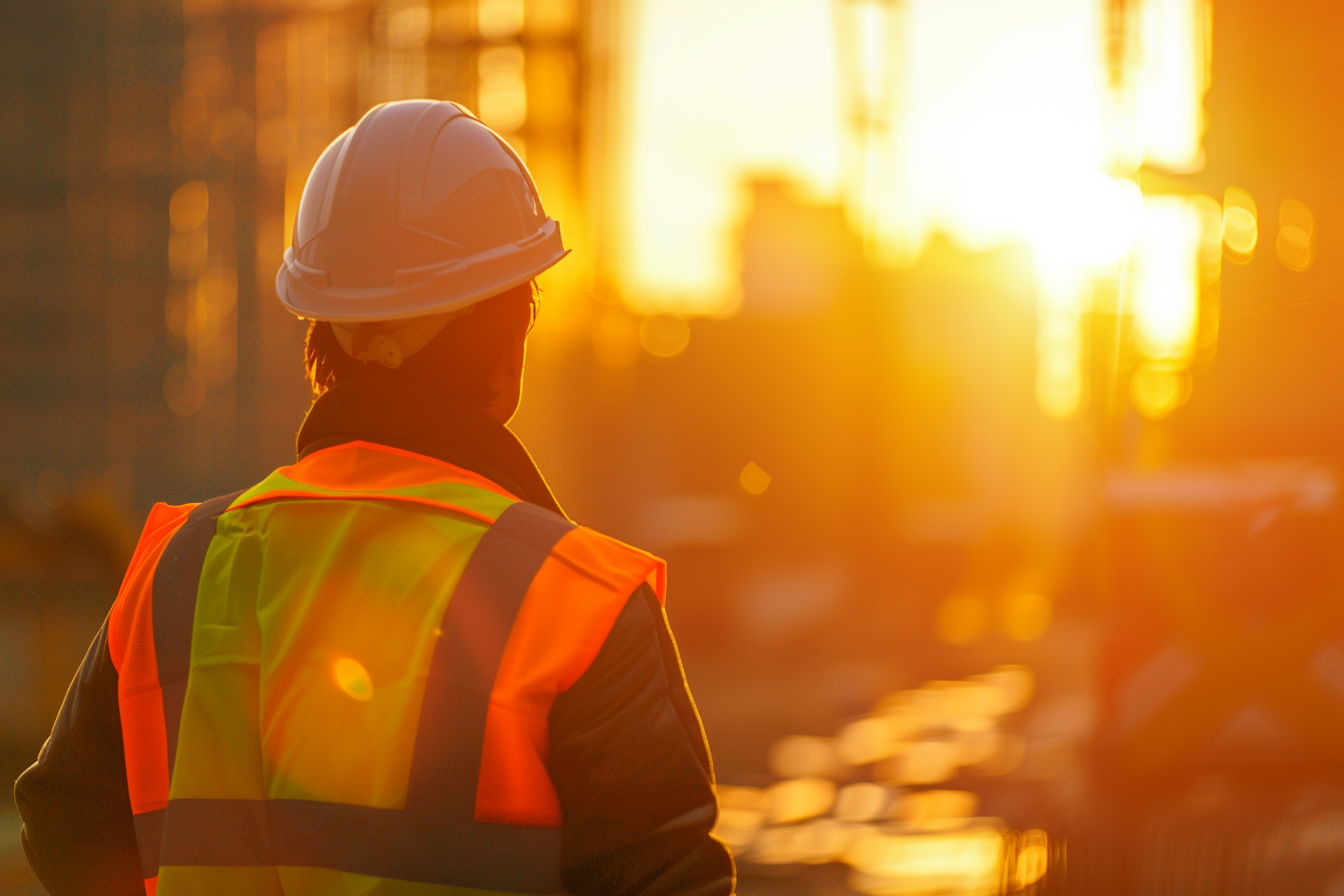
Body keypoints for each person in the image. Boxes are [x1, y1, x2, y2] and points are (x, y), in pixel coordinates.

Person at [15, 100, 734, 896]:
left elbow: (63, 821)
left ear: (321, 335)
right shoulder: (577, 607)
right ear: (504, 347)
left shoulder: (176, 571)